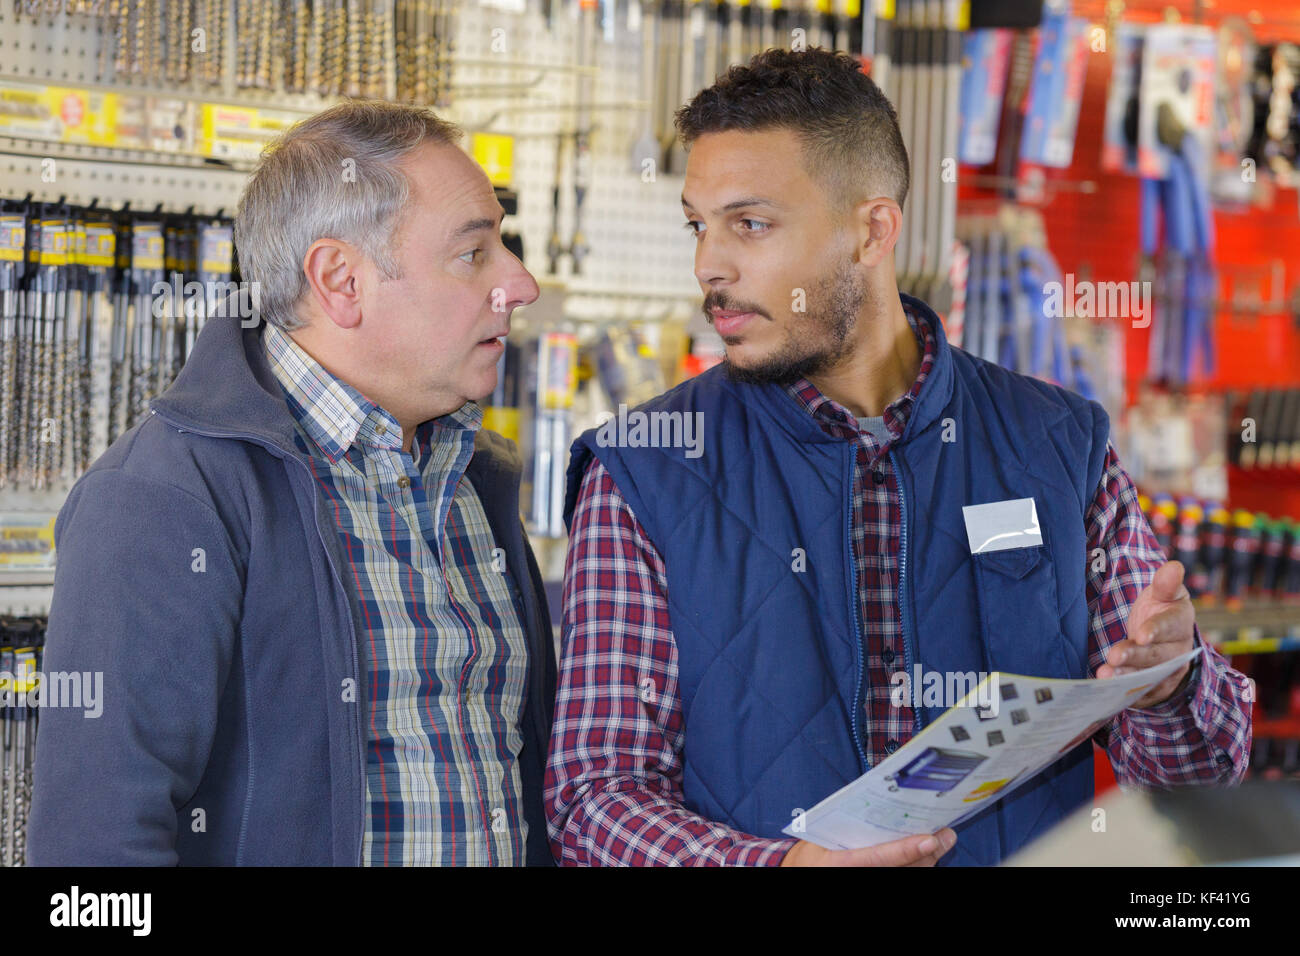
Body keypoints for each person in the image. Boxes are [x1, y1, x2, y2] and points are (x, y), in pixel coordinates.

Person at [545, 49, 1252, 867]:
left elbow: (1200, 778)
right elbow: (592, 797)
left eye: (751, 224)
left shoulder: (1058, 444)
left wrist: (1170, 687)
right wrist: (776, 867)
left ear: (873, 228)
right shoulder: (643, 470)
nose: (711, 265)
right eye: (698, 224)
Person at [30, 101, 556, 866]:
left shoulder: (478, 481)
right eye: (474, 253)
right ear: (341, 280)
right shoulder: (165, 499)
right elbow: (93, 850)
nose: (521, 282)